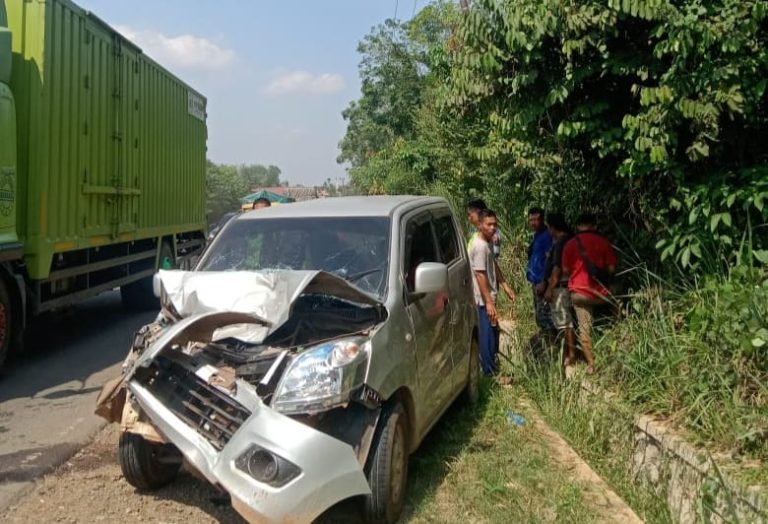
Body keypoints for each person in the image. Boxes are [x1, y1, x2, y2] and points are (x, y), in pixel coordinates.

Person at [561, 213, 617, 374]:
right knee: (618, 300)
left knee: (584, 329)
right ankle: (617, 328)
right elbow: (612, 269)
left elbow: (565, 270)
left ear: (578, 226)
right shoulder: (604, 242)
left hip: (580, 295)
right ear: (594, 226)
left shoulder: (570, 244)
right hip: (601, 295)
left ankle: (592, 364)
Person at [470, 209, 515, 375]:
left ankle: (491, 366)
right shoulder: (480, 247)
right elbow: (480, 275)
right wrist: (488, 302)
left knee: (492, 330)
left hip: (489, 296)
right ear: (480, 225)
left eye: (495, 224)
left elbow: (493, 265)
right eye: (489, 224)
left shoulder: (487, 242)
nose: (493, 227)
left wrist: (505, 285)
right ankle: (489, 372)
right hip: (483, 299)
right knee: (487, 333)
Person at [543, 213, 576, 367]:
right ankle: (571, 353)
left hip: (560, 286)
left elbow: (557, 268)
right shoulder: (570, 239)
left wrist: (550, 288)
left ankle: (571, 354)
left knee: (565, 322)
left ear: (552, 227)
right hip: (569, 285)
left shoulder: (561, 242)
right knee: (567, 320)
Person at [526, 207, 554, 335]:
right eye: (531, 220)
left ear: (542, 220)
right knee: (540, 317)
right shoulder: (537, 235)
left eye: (537, 220)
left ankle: (553, 350)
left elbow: (550, 259)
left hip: (543, 283)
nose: (534, 223)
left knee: (546, 319)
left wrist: (544, 281)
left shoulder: (547, 235)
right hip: (536, 282)